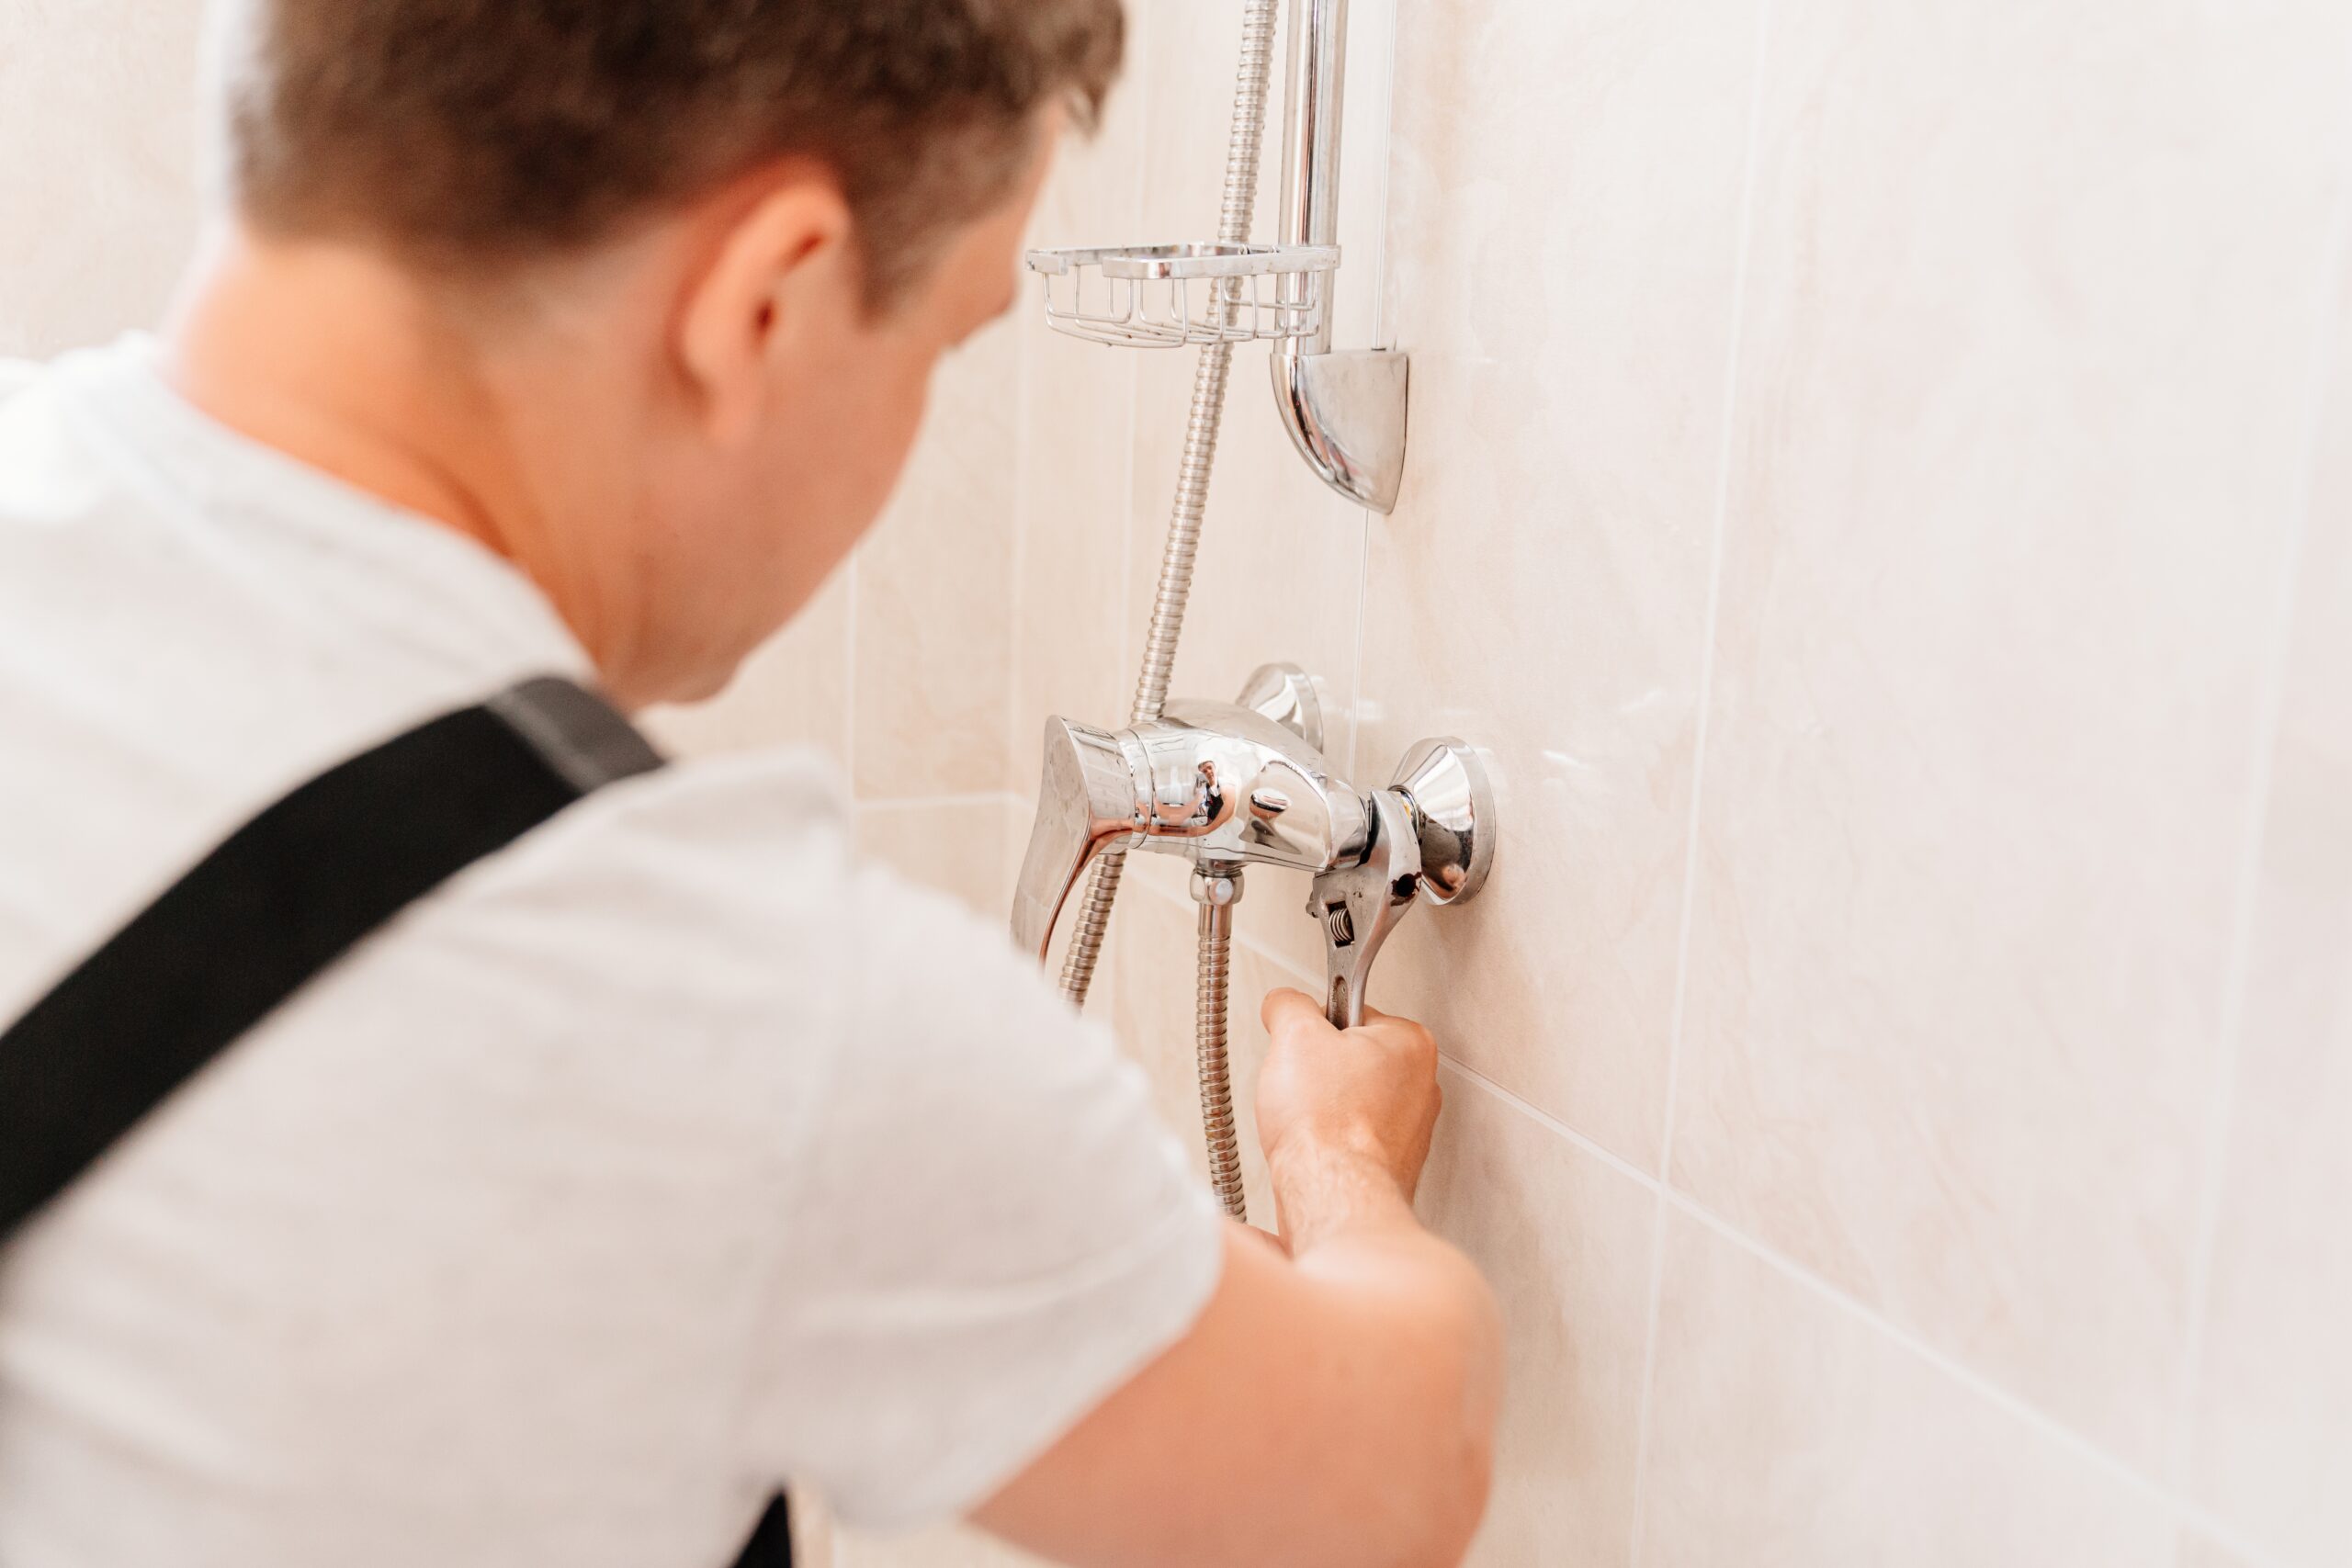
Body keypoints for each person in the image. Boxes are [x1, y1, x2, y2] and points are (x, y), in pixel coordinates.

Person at [0, 3, 1502, 1565]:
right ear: (766, 301)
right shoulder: (719, 1000)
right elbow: (1395, 1473)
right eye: (942, 342)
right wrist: (1335, 1158)